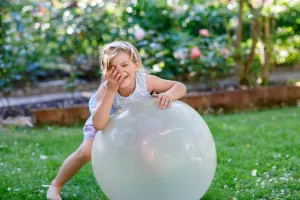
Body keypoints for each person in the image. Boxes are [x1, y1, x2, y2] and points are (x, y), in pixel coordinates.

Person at [47, 41, 187, 200]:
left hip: (136, 125)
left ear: (136, 64)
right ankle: (55, 185)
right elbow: (99, 124)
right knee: (85, 152)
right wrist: (111, 92)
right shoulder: (106, 89)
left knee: (149, 155)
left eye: (124, 64)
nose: (119, 71)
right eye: (113, 68)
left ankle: (158, 186)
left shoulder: (147, 81)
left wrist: (169, 95)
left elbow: (179, 86)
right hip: (105, 122)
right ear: (106, 73)